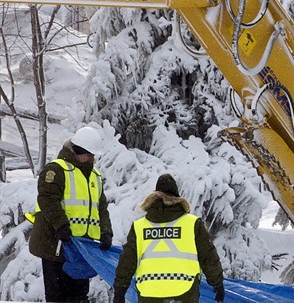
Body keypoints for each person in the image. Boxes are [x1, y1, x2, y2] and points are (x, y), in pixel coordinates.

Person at [27, 126, 113, 303]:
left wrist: (106, 232)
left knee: (79, 297)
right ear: (77, 152)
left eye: (93, 156)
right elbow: (48, 199)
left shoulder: (95, 176)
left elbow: (101, 207)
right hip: (56, 246)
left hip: (81, 247)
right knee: (58, 297)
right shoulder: (56, 170)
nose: (92, 159)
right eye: (89, 155)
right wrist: (61, 226)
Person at [113, 173, 225, 303]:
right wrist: (217, 283)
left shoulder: (139, 227)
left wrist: (120, 290)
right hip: (185, 291)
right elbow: (208, 256)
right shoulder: (193, 224)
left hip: (149, 292)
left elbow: (127, 261)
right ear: (178, 198)